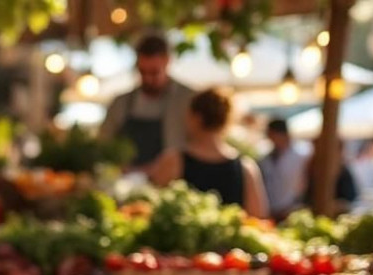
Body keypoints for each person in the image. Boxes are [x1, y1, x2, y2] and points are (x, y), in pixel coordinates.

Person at [148, 88, 267, 218]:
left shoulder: (173, 161)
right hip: (228, 239)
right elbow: (257, 219)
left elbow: (150, 209)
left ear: (196, 118)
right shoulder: (246, 167)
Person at [99, 33, 194, 169]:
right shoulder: (120, 103)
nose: (148, 79)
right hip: (125, 183)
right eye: (143, 72)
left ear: (167, 61)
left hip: (172, 182)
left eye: (154, 73)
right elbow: (104, 143)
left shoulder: (187, 99)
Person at [258, 118, 307, 220]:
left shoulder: (302, 155)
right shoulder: (265, 158)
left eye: (272, 135)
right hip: (271, 212)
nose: (271, 139)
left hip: (293, 211)